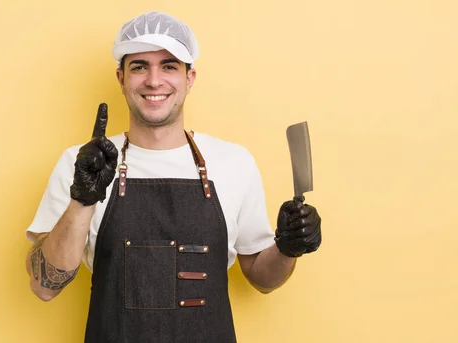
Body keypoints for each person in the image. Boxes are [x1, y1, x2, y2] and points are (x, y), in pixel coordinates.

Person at [25, 11, 322, 343]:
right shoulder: (83, 163)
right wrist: (82, 200)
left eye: (169, 66)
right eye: (139, 66)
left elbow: (262, 278)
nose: (154, 81)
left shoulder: (233, 162)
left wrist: (288, 248)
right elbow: (43, 287)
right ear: (121, 78)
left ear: (189, 78)